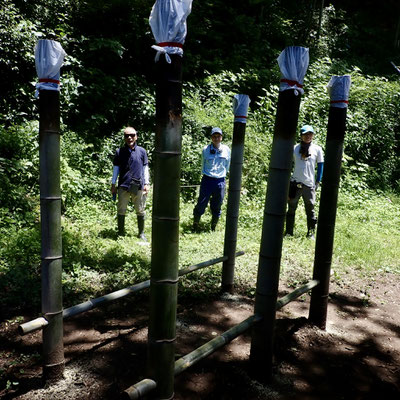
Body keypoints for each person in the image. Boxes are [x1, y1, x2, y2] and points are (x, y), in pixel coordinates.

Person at [111, 127, 150, 240]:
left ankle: (141, 233)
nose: (129, 137)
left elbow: (145, 168)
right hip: (123, 185)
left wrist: (147, 183)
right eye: (126, 135)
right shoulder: (119, 152)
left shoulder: (142, 151)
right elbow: (116, 169)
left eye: (132, 135)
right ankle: (121, 233)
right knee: (121, 209)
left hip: (138, 186)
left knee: (140, 209)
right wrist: (113, 184)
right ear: (124, 138)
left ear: (136, 136)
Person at [285, 125, 324, 239]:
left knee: (310, 208)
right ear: (301, 135)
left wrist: (318, 181)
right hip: (295, 183)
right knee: (291, 208)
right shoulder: (294, 148)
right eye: (305, 134)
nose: (308, 136)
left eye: (310, 134)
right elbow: (288, 164)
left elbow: (320, 165)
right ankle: (288, 232)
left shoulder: (317, 149)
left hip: (309, 183)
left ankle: (311, 233)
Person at [193, 127, 231, 231]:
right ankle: (195, 224)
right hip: (207, 180)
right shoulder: (205, 149)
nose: (216, 138)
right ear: (211, 138)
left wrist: (222, 175)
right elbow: (203, 164)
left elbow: (228, 165)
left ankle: (213, 227)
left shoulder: (227, 150)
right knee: (202, 202)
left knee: (217, 203)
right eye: (214, 136)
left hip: (220, 181)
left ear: (221, 138)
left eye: (218, 136)